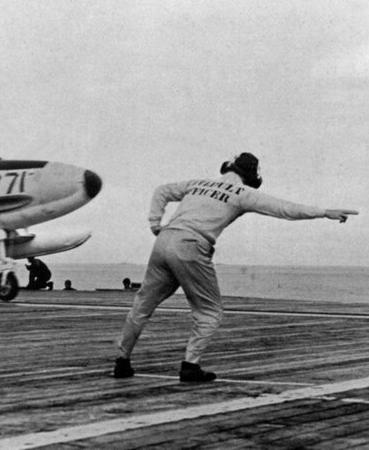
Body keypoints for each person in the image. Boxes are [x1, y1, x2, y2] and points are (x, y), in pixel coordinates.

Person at [113, 153, 358, 382]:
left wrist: (155, 223)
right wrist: (324, 212)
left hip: (164, 240)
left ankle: (122, 361)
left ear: (229, 167)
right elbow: (284, 208)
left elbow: (161, 191)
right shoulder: (242, 193)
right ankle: (190, 366)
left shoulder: (197, 183)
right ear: (251, 176)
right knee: (209, 312)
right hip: (192, 244)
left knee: (143, 303)